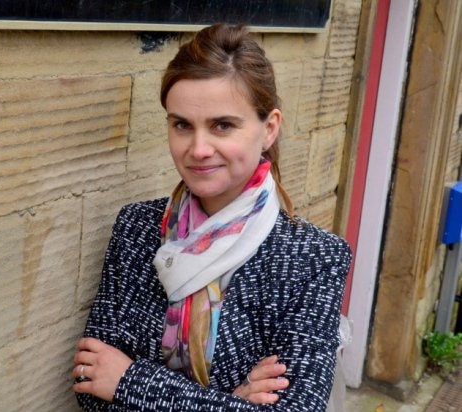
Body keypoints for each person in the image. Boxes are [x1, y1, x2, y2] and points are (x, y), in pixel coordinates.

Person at [72, 23, 352, 411]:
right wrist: (233, 400)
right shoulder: (136, 228)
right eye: (182, 125)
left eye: (222, 125)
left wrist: (130, 380)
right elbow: (92, 387)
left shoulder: (313, 258)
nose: (198, 149)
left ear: (269, 128)